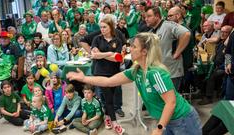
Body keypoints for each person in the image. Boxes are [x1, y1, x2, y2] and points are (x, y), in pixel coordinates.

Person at [67, 32, 202, 135]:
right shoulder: (136, 71)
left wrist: (160, 128)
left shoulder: (155, 73)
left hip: (182, 120)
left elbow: (171, 103)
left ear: (144, 51)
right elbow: (108, 81)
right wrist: (84, 78)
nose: (129, 48)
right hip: (167, 120)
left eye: (134, 46)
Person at [90, 15, 125, 134]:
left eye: (104, 27)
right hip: (101, 73)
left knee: (111, 97)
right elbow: (94, 55)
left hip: (114, 73)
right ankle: (115, 123)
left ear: (110, 27)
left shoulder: (118, 40)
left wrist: (102, 54)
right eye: (101, 27)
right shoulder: (97, 39)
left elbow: (117, 59)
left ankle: (107, 117)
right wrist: (110, 53)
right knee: (109, 99)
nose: (102, 29)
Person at [145, 6, 191, 91]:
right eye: (145, 17)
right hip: (159, 71)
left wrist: (177, 53)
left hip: (172, 72)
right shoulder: (151, 31)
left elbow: (186, 34)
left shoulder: (168, 25)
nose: (146, 19)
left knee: (171, 100)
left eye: (149, 16)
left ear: (157, 16)